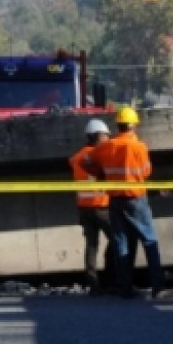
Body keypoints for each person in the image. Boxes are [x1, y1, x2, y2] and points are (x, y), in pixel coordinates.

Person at [89, 106, 168, 299]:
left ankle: (125, 287)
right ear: (132, 125)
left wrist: (101, 175)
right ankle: (158, 286)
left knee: (120, 243)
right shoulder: (139, 147)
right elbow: (146, 172)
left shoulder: (106, 146)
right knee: (149, 240)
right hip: (135, 198)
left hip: (115, 199)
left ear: (118, 125)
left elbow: (87, 162)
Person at [69, 118, 114, 295]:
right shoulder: (99, 155)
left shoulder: (77, 157)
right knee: (118, 240)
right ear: (97, 136)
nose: (108, 138)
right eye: (105, 135)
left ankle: (93, 283)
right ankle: (112, 280)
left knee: (92, 245)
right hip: (101, 206)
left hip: (84, 207)